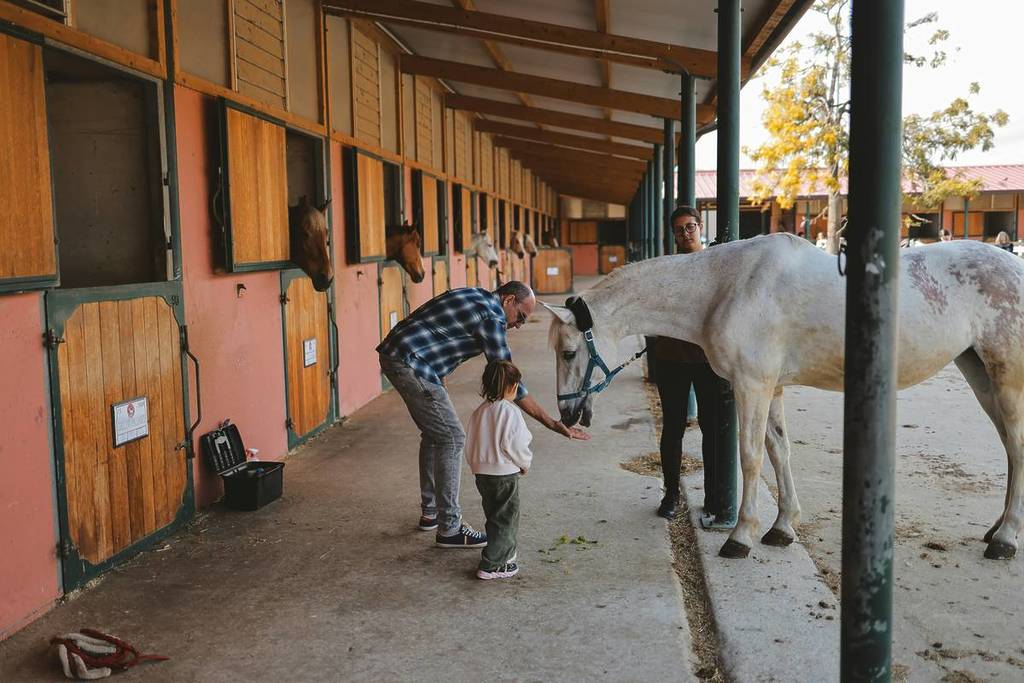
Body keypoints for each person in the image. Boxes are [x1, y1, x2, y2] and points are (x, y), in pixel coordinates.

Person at [377, 281, 589, 549]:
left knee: (435, 434)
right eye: (520, 316)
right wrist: (553, 423)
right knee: (452, 437)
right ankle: (450, 528)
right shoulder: (493, 316)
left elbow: (436, 329)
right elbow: (511, 381)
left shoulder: (474, 294)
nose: (519, 325)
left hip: (403, 356)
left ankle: (431, 512)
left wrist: (437, 376)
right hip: (411, 362)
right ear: (508, 300)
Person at [652, 206, 727, 519]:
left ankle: (713, 497)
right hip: (672, 358)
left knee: (712, 429)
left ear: (700, 227)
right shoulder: (667, 268)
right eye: (679, 229)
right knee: (673, 427)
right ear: (673, 234)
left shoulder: (715, 263)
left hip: (708, 359)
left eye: (690, 227)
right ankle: (670, 494)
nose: (685, 233)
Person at [465, 360, 532, 580]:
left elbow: (471, 443)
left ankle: (503, 553)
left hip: (482, 474)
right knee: (506, 518)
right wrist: (524, 464)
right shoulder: (510, 412)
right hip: (504, 474)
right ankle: (494, 564)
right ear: (513, 386)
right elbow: (516, 443)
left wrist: (476, 465)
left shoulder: (479, 412)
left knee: (494, 515)